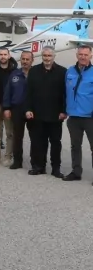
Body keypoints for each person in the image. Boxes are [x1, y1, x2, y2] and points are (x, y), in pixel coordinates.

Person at [25, 47, 66, 177]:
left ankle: (56, 169)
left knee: (55, 143)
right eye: (44, 55)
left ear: (54, 57)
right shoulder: (34, 71)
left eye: (49, 56)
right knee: (38, 142)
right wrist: (28, 109)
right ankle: (39, 166)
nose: (47, 58)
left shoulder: (62, 72)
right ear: (41, 56)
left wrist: (64, 111)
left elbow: (65, 94)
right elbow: (28, 93)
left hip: (55, 115)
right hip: (37, 114)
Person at [62, 45, 93, 184]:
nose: (83, 57)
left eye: (86, 55)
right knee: (75, 146)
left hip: (89, 117)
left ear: (90, 56)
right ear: (77, 55)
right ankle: (76, 171)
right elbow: (64, 93)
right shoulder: (69, 72)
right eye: (80, 54)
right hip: (73, 116)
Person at [3, 51, 33, 170]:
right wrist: (6, 107)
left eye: (27, 59)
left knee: (34, 137)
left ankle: (35, 162)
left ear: (32, 60)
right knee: (17, 137)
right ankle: (17, 161)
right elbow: (8, 92)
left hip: (32, 109)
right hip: (17, 109)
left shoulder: (36, 74)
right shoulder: (14, 74)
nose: (25, 61)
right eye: (23, 59)